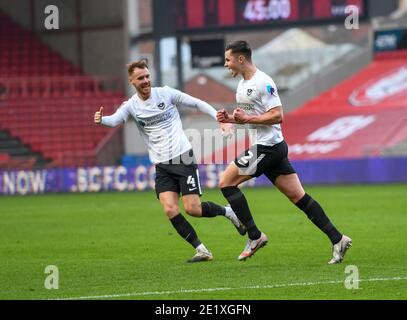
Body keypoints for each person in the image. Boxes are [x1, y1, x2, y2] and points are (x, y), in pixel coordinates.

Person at [94, 60, 246, 263]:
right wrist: (102, 119)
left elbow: (196, 103)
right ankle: (202, 250)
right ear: (132, 81)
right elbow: (114, 119)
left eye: (147, 76)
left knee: (193, 209)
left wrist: (219, 119)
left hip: (182, 157)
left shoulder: (165, 93)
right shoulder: (131, 105)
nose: (146, 80)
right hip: (161, 165)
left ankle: (229, 212)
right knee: (170, 209)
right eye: (141, 78)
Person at [217, 40, 352, 264]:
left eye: (228, 60)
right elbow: (254, 118)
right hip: (271, 147)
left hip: (268, 147)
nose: (225, 64)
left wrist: (246, 118)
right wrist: (231, 119)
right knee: (298, 197)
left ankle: (254, 235)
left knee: (226, 182)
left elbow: (278, 115)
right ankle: (338, 239)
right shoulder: (242, 85)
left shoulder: (264, 82)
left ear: (241, 59)